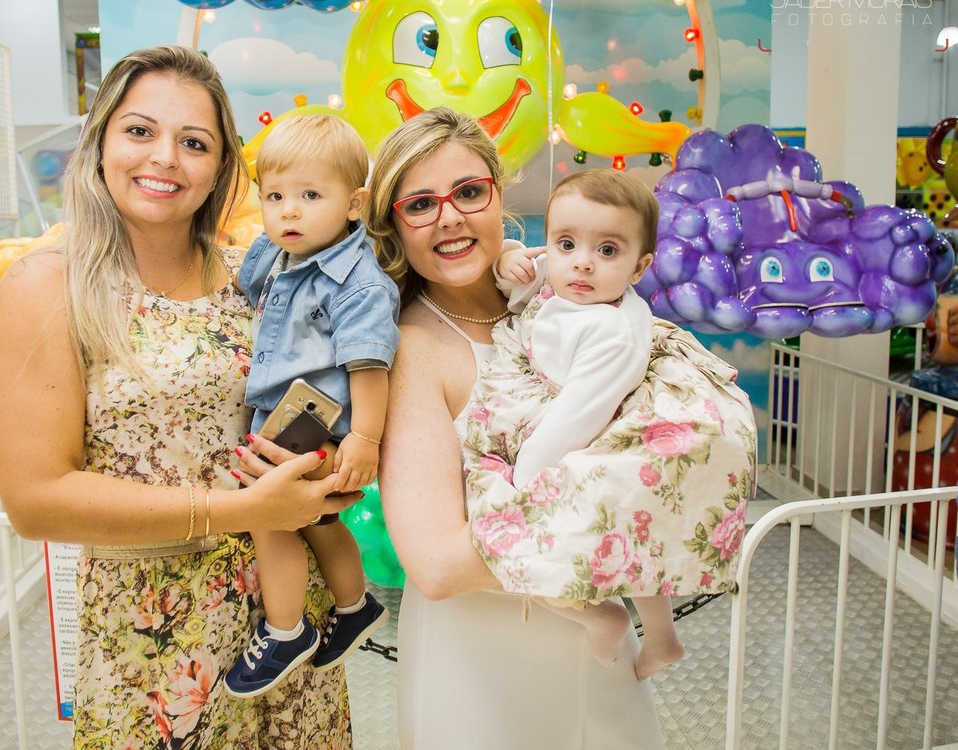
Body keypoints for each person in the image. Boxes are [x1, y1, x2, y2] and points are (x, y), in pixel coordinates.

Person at [0, 45, 360, 749]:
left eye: (194, 143)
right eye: (139, 131)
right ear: (101, 142)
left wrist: (328, 464)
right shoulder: (48, 287)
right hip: (155, 640)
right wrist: (243, 510)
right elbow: (35, 500)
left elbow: (328, 384)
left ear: (220, 167)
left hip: (287, 630)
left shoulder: (260, 278)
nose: (165, 157)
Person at [360, 106, 752, 747]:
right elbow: (435, 565)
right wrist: (621, 516)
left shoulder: (562, 288)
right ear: (394, 224)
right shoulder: (411, 350)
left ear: (497, 193)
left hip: (602, 646)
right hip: (483, 664)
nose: (450, 217)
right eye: (421, 204)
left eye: (467, 192)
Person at [479, 168, 681, 679]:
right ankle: (660, 637)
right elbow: (520, 275)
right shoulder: (566, 277)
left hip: (589, 432)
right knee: (631, 528)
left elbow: (576, 417)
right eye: (565, 243)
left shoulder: (613, 333)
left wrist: (523, 482)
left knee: (506, 530)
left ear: (640, 266)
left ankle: (602, 618)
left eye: (608, 250)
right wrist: (508, 260)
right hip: (569, 409)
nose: (582, 262)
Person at [225, 113, 397, 697]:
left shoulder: (358, 283)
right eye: (275, 196)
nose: (288, 212)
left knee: (268, 519)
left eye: (309, 196)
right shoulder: (274, 256)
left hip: (312, 421)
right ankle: (354, 606)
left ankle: (286, 630)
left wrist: (365, 438)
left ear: (353, 204)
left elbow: (369, 365)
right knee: (320, 522)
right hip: (283, 415)